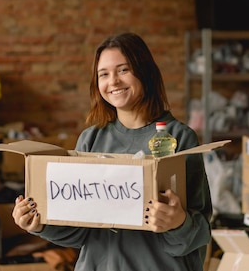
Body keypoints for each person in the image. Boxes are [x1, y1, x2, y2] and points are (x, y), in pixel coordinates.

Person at [12, 32, 213, 271]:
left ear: (145, 72)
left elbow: (199, 232)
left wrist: (179, 222)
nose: (114, 81)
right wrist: (38, 224)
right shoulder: (91, 139)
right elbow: (79, 233)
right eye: (104, 74)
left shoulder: (178, 138)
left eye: (123, 70)